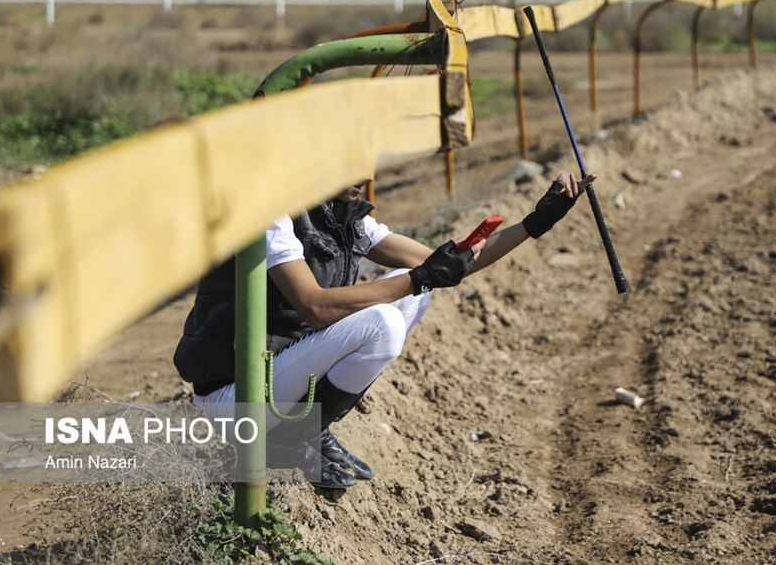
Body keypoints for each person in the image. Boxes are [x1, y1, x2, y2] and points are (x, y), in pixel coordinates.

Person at [173, 170, 596, 489]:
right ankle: (287, 441)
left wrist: (534, 224)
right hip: (234, 398)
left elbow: (448, 266)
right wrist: (419, 276)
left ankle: (302, 431)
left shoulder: (346, 218)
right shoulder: (273, 216)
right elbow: (315, 307)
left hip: (279, 380)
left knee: (414, 294)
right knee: (385, 318)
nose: (367, 177)